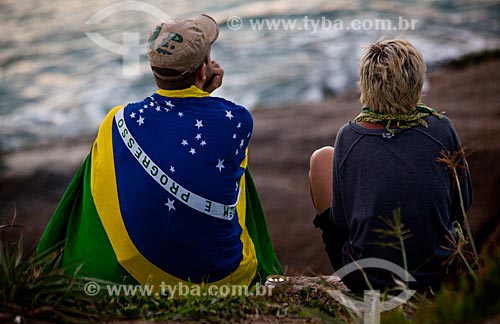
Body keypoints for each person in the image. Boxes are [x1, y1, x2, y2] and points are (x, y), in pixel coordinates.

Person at [37, 14, 282, 288]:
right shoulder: (237, 120)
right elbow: (205, 143)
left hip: (135, 269)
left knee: (105, 161)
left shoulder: (117, 120)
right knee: (231, 169)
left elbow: (179, 132)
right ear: (204, 71)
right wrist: (206, 95)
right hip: (221, 280)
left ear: (154, 70)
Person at [308, 38, 472, 293]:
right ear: (417, 81)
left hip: (369, 282)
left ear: (365, 84)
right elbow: (463, 202)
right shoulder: (441, 127)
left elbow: (341, 220)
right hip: (439, 273)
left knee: (321, 158)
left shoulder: (348, 136)